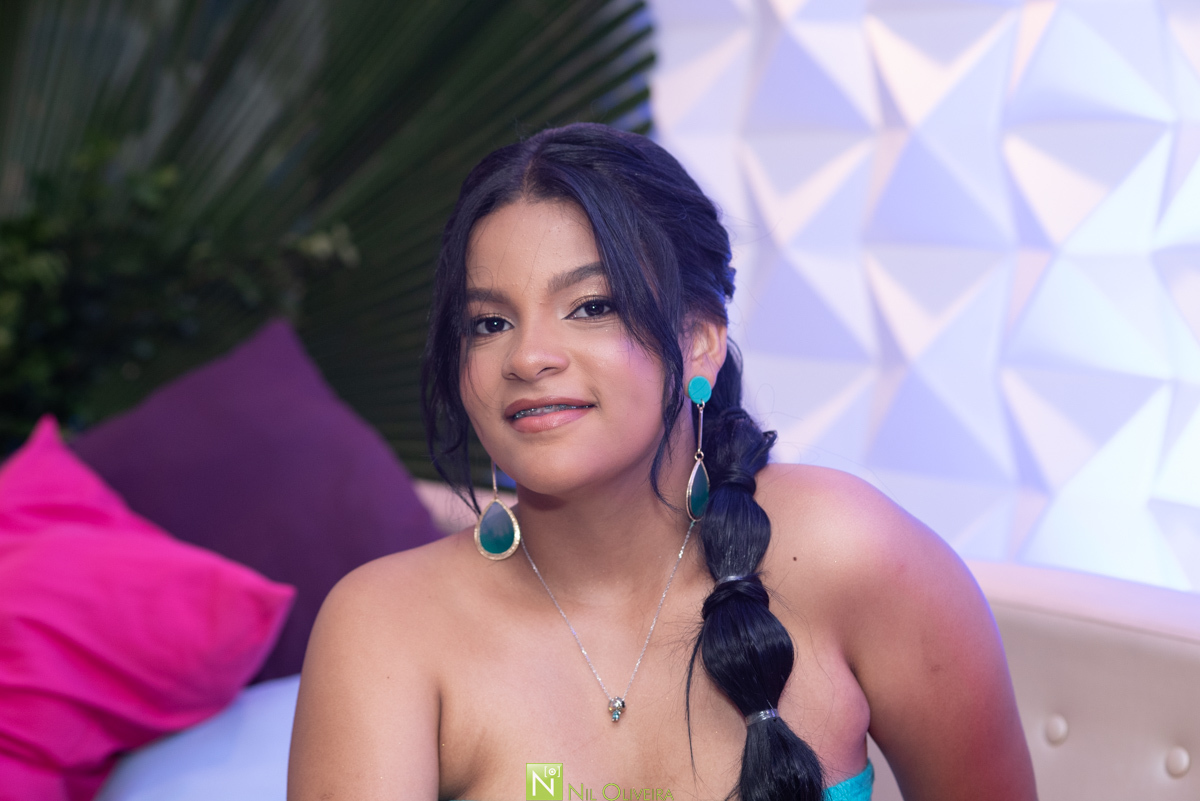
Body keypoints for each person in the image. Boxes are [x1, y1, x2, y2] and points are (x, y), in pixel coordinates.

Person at [288, 123, 1037, 801]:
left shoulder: (854, 551)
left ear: (700, 340)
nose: (527, 356)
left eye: (590, 306)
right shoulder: (386, 628)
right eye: (489, 322)